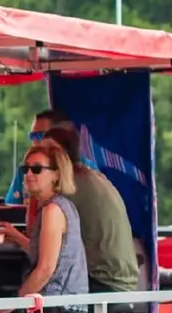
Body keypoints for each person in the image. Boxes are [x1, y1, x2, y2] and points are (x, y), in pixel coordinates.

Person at [0, 139, 89, 313]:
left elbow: (45, 269)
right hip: (65, 307)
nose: (29, 174)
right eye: (26, 169)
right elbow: (48, 251)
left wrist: (14, 302)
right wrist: (16, 235)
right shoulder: (61, 206)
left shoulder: (53, 210)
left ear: (56, 175)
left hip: (58, 307)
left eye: (37, 169)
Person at [35, 110, 142, 298]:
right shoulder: (91, 177)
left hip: (102, 281)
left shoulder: (68, 187)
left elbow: (42, 255)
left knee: (38, 285)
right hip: (123, 280)